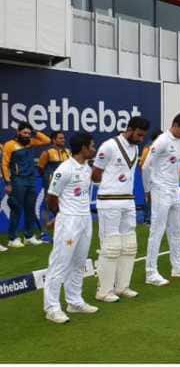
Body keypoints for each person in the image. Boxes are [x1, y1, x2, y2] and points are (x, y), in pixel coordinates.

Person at [92, 117, 149, 302]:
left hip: (128, 200)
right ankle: (103, 291)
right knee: (111, 247)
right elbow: (95, 173)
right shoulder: (108, 146)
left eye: (143, 136)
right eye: (139, 134)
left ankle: (122, 287)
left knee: (129, 246)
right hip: (109, 201)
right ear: (130, 129)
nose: (141, 138)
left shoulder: (136, 147)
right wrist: (111, 187)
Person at [43, 132, 98, 323]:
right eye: (91, 145)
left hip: (85, 219)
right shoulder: (64, 169)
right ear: (82, 148)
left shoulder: (87, 168)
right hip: (69, 222)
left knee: (79, 262)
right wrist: (60, 216)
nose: (94, 148)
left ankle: (74, 301)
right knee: (60, 263)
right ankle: (52, 308)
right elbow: (51, 197)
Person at [143, 113, 180, 286]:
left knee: (176, 230)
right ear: (174, 124)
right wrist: (148, 191)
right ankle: (151, 272)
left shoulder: (179, 141)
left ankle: (178, 266)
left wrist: (176, 188)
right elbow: (145, 166)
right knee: (157, 231)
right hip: (160, 191)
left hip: (174, 191)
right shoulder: (161, 141)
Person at [2, 122, 50, 248]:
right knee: (16, 209)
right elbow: (4, 165)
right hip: (17, 180)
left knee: (30, 209)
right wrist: (7, 183)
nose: (27, 135)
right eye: (24, 133)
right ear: (18, 132)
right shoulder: (9, 145)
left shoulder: (31, 142)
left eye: (29, 133)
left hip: (31, 180)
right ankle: (12, 238)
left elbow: (47, 140)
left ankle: (28, 236)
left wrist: (34, 132)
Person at [37, 131, 71, 242]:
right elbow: (41, 168)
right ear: (54, 140)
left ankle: (61, 232)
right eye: (60, 138)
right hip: (51, 183)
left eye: (63, 138)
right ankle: (44, 234)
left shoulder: (68, 152)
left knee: (63, 207)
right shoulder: (47, 152)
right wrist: (49, 179)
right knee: (48, 207)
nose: (63, 140)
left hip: (65, 184)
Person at [139, 130, 162, 225]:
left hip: (155, 176)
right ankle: (147, 219)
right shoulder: (149, 147)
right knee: (148, 197)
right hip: (149, 176)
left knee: (155, 198)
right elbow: (142, 163)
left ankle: (152, 218)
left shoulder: (156, 147)